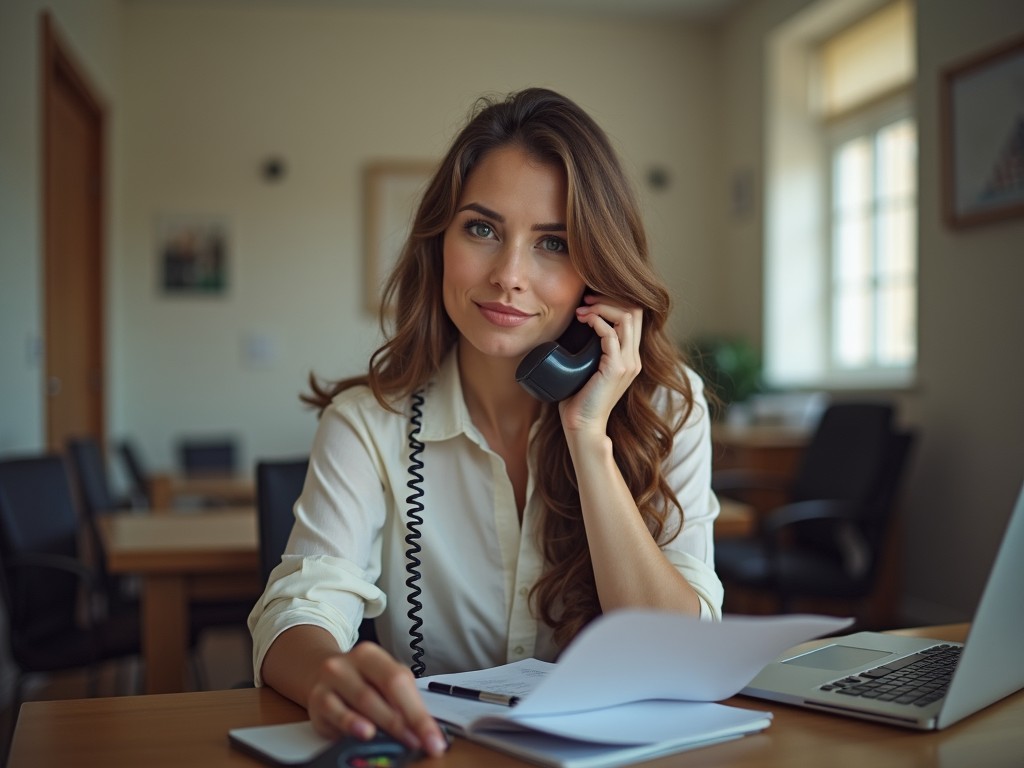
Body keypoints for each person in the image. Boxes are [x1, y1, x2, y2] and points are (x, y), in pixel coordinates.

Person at [248, 87, 724, 758]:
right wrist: (331, 674)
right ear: (439, 240)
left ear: (600, 275)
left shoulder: (670, 408)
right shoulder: (368, 422)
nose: (508, 276)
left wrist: (589, 442)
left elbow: (680, 657)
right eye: (482, 229)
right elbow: (301, 603)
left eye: (553, 243)